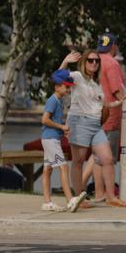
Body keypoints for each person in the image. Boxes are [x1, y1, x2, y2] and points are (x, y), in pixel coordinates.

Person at [59, 49, 126, 207]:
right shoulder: (77, 76)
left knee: (107, 159)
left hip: (95, 124)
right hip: (79, 121)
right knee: (78, 160)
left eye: (97, 61)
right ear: (83, 62)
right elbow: (58, 77)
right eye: (90, 60)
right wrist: (65, 61)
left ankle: (111, 197)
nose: (94, 63)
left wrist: (119, 102)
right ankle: (78, 198)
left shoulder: (95, 84)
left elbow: (102, 104)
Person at [40, 69, 86, 212]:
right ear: (57, 86)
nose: (67, 89)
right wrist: (60, 126)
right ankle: (70, 199)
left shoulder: (58, 101)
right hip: (50, 139)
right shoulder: (52, 101)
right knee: (63, 166)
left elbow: (52, 121)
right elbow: (44, 119)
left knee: (47, 169)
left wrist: (62, 130)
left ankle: (47, 202)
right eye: (66, 87)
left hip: (51, 138)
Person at [94, 32, 126, 202]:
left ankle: (99, 192)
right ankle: (108, 194)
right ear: (113, 46)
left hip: (96, 113)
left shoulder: (95, 61)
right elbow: (116, 90)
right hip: (111, 116)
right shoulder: (112, 63)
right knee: (108, 158)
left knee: (97, 157)